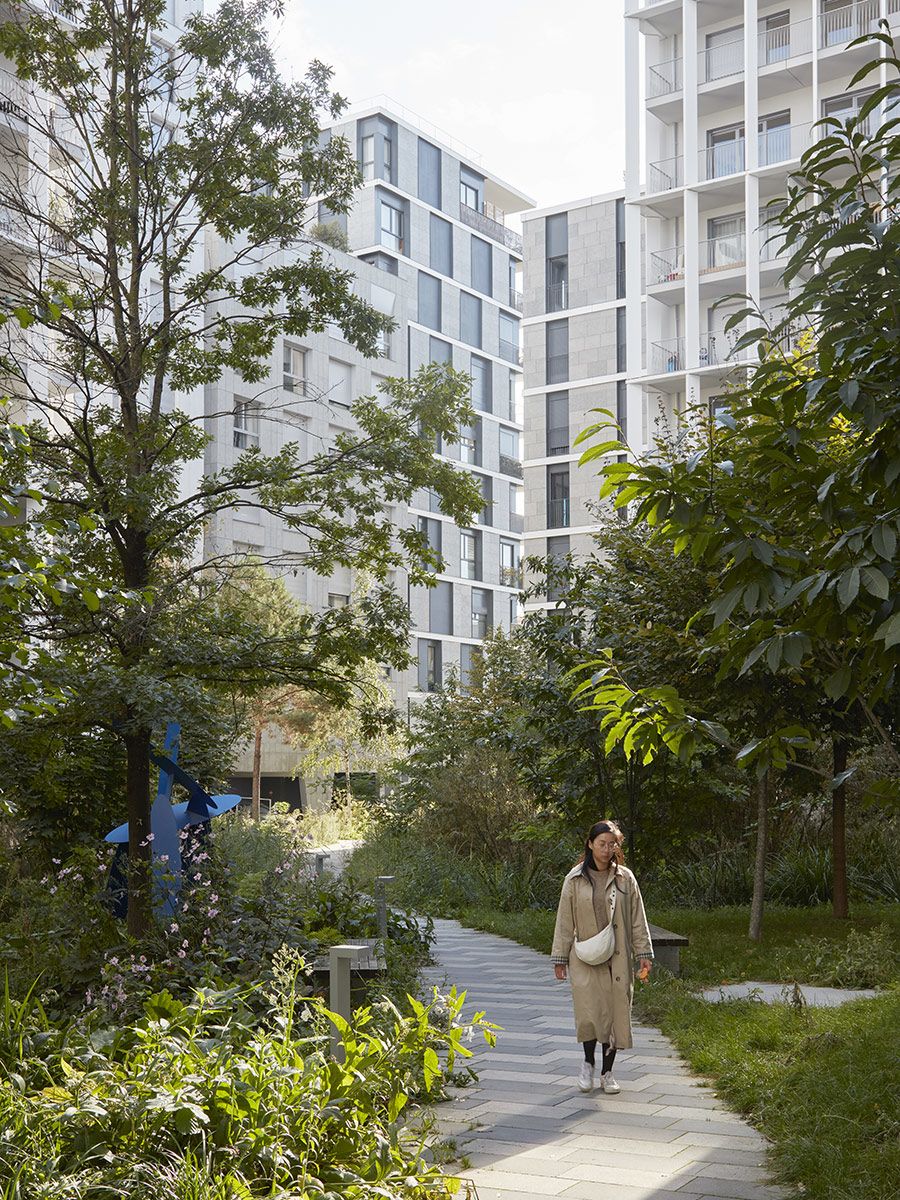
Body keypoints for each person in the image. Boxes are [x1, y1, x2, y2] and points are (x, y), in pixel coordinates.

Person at [551, 819, 653, 1094]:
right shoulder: (574, 879)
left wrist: (644, 952)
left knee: (615, 1012)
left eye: (612, 844)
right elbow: (564, 920)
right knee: (589, 1013)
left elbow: (637, 918)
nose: (607, 850)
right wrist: (559, 958)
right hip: (584, 955)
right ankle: (587, 1064)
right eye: (601, 844)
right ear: (590, 844)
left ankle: (608, 1072)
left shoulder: (625, 878)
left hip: (616, 956)